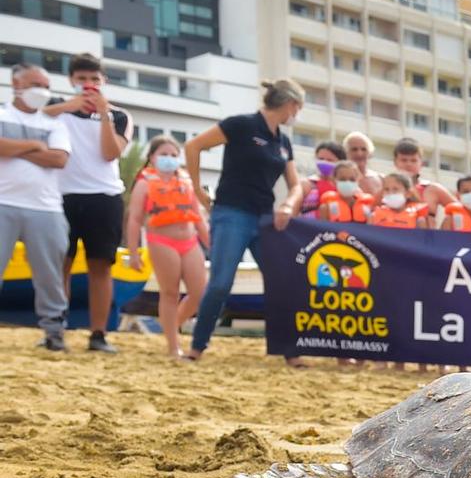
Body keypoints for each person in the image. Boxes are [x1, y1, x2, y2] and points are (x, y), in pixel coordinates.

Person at [183, 79, 307, 362]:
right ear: (290, 104)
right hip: (232, 213)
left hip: (264, 218)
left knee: (281, 280)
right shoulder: (241, 124)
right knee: (221, 283)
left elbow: (295, 185)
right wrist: (197, 188)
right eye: (298, 108)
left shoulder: (283, 141)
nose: (296, 114)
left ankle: (289, 350)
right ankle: (196, 348)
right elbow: (193, 146)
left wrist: (287, 205)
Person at [43, 54, 132, 352]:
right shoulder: (57, 108)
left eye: (95, 79)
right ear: (72, 80)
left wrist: (104, 114)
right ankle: (55, 331)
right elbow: (29, 118)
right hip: (60, 196)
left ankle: (98, 335)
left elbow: (110, 153)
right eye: (82, 79)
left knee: (100, 267)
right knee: (60, 266)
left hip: (104, 198)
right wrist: (68, 106)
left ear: (104, 81)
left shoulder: (120, 115)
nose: (89, 85)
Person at [1, 64, 75, 351]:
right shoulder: (3, 114)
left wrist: (14, 147)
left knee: (50, 274)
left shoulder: (55, 123)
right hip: (3, 202)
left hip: (46, 208)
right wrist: (34, 145)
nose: (41, 91)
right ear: (16, 84)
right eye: (35, 84)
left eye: (45, 85)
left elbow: (59, 159)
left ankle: (54, 332)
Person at [121, 136, 206, 358]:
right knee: (170, 293)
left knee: (199, 292)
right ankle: (172, 345)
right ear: (152, 158)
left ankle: (171, 325)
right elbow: (135, 219)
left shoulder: (186, 181)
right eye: (164, 154)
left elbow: (198, 218)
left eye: (174, 155)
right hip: (162, 241)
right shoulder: (144, 182)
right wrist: (133, 253)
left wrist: (210, 243)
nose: (169, 159)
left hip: (189, 241)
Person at [392, 139, 448, 210]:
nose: (409, 164)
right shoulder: (385, 189)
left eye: (413, 160)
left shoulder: (432, 189)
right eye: (404, 160)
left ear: (421, 164)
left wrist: (447, 220)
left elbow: (460, 210)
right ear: (395, 162)